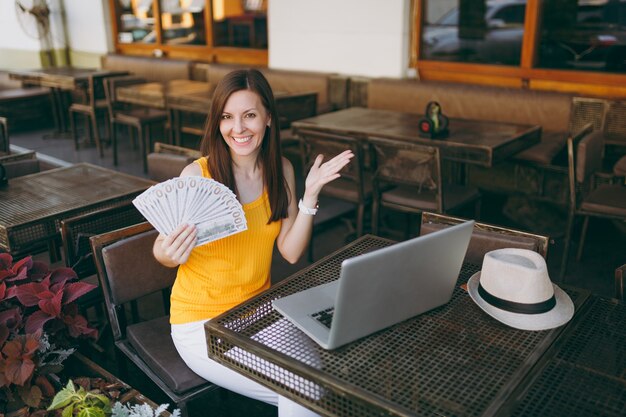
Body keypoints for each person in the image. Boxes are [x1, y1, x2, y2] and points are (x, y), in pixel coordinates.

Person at [153, 69, 353, 417]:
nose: (239, 128)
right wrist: (167, 253)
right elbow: (163, 250)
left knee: (321, 383)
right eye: (228, 117)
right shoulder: (198, 176)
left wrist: (310, 196)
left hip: (259, 313)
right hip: (200, 323)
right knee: (302, 391)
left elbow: (290, 252)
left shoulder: (282, 170)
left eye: (249, 115)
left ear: (268, 118)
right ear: (217, 123)